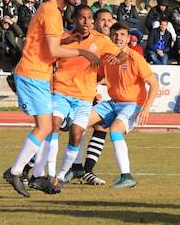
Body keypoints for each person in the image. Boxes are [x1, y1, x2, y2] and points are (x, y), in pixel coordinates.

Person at [3, 0, 100, 198]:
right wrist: (82, 51)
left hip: (39, 74)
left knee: (47, 127)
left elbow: (50, 45)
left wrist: (70, 39)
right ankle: (16, 171)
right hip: (31, 73)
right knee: (45, 127)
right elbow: (54, 51)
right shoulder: (50, 10)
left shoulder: (53, 11)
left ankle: (34, 176)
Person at [28, 5, 121, 194]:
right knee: (52, 125)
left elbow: (122, 57)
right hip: (61, 92)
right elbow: (43, 57)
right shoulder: (62, 39)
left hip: (84, 97)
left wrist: (117, 61)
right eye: (82, 18)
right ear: (74, 19)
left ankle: (62, 176)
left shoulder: (102, 41)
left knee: (77, 134)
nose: (86, 22)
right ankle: (48, 174)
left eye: (89, 18)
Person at [62, 21, 160, 190]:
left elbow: (154, 84)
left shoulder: (135, 58)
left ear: (129, 39)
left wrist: (146, 108)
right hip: (112, 103)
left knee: (115, 131)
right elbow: (97, 76)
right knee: (78, 123)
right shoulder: (107, 58)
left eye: (122, 35)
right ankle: (77, 168)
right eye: (115, 34)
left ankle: (126, 176)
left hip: (132, 105)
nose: (118, 38)